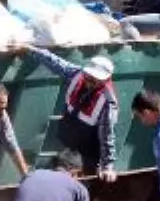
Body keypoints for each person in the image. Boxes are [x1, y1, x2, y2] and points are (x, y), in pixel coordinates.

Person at [10, 42, 119, 180]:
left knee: (77, 181)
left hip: (87, 153)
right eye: (88, 77)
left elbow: (107, 135)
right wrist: (31, 50)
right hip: (67, 142)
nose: (89, 82)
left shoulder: (107, 103)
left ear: (104, 80)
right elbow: (55, 62)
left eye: (94, 80)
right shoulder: (76, 75)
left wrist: (107, 165)